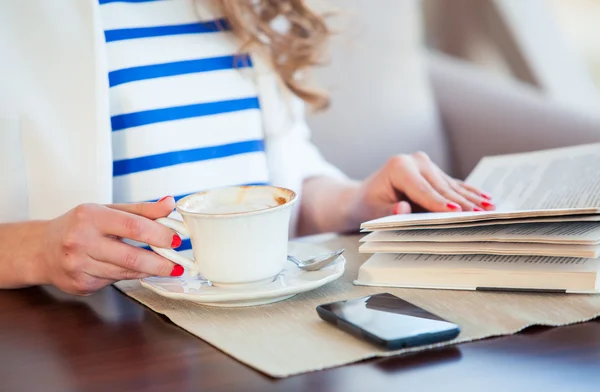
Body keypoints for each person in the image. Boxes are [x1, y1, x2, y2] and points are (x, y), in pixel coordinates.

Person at [0, 0, 493, 295]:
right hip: (90, 343)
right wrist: (38, 250)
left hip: (251, 329)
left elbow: (279, 176)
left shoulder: (246, 7)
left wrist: (355, 200)